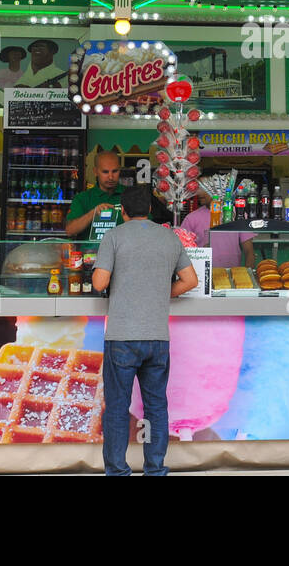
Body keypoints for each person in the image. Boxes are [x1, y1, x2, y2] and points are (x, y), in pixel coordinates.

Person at [92, 185, 198, 476]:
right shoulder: (168, 237)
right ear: (150, 210)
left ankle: (117, 470)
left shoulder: (113, 236)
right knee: (156, 408)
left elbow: (100, 283)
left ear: (122, 211)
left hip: (122, 338)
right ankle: (154, 469)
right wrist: (162, 293)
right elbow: (190, 280)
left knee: (116, 408)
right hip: (157, 337)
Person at [180, 191, 255, 269]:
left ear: (217, 189)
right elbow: (182, 253)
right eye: (199, 189)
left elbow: (249, 251)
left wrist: (249, 274)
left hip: (231, 275)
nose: (199, 193)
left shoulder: (238, 215)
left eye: (204, 189)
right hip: (202, 274)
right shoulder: (191, 218)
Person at [64, 151, 124, 241]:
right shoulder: (83, 198)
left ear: (120, 170)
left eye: (115, 171)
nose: (111, 177)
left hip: (123, 253)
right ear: (95, 172)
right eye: (105, 172)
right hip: (90, 254)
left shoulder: (131, 195)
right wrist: (93, 213)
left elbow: (146, 226)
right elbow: (70, 230)